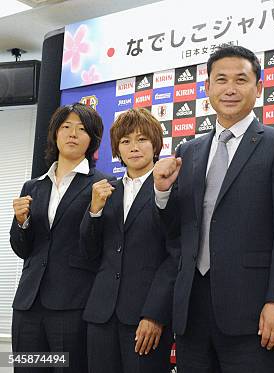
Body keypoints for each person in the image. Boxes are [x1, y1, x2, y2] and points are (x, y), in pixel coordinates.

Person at [152, 45, 274, 373]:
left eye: (241, 79)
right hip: (192, 309)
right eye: (220, 80)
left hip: (253, 311)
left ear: (259, 87)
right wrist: (162, 193)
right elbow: (177, 233)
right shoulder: (189, 151)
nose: (230, 88)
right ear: (207, 88)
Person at [10, 103, 109, 373]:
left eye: (81, 129)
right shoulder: (33, 186)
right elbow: (21, 249)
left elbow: (98, 249)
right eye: (66, 127)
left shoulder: (102, 186)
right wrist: (22, 222)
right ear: (55, 134)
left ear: (92, 139)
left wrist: (95, 211)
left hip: (72, 306)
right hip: (28, 305)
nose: (72, 134)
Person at [79, 108, 178, 373]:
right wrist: (94, 211)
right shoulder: (105, 191)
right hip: (100, 316)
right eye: (125, 141)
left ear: (156, 144)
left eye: (142, 139)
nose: (134, 147)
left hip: (146, 317)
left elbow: (176, 255)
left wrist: (155, 314)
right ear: (117, 150)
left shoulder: (171, 189)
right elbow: (88, 253)